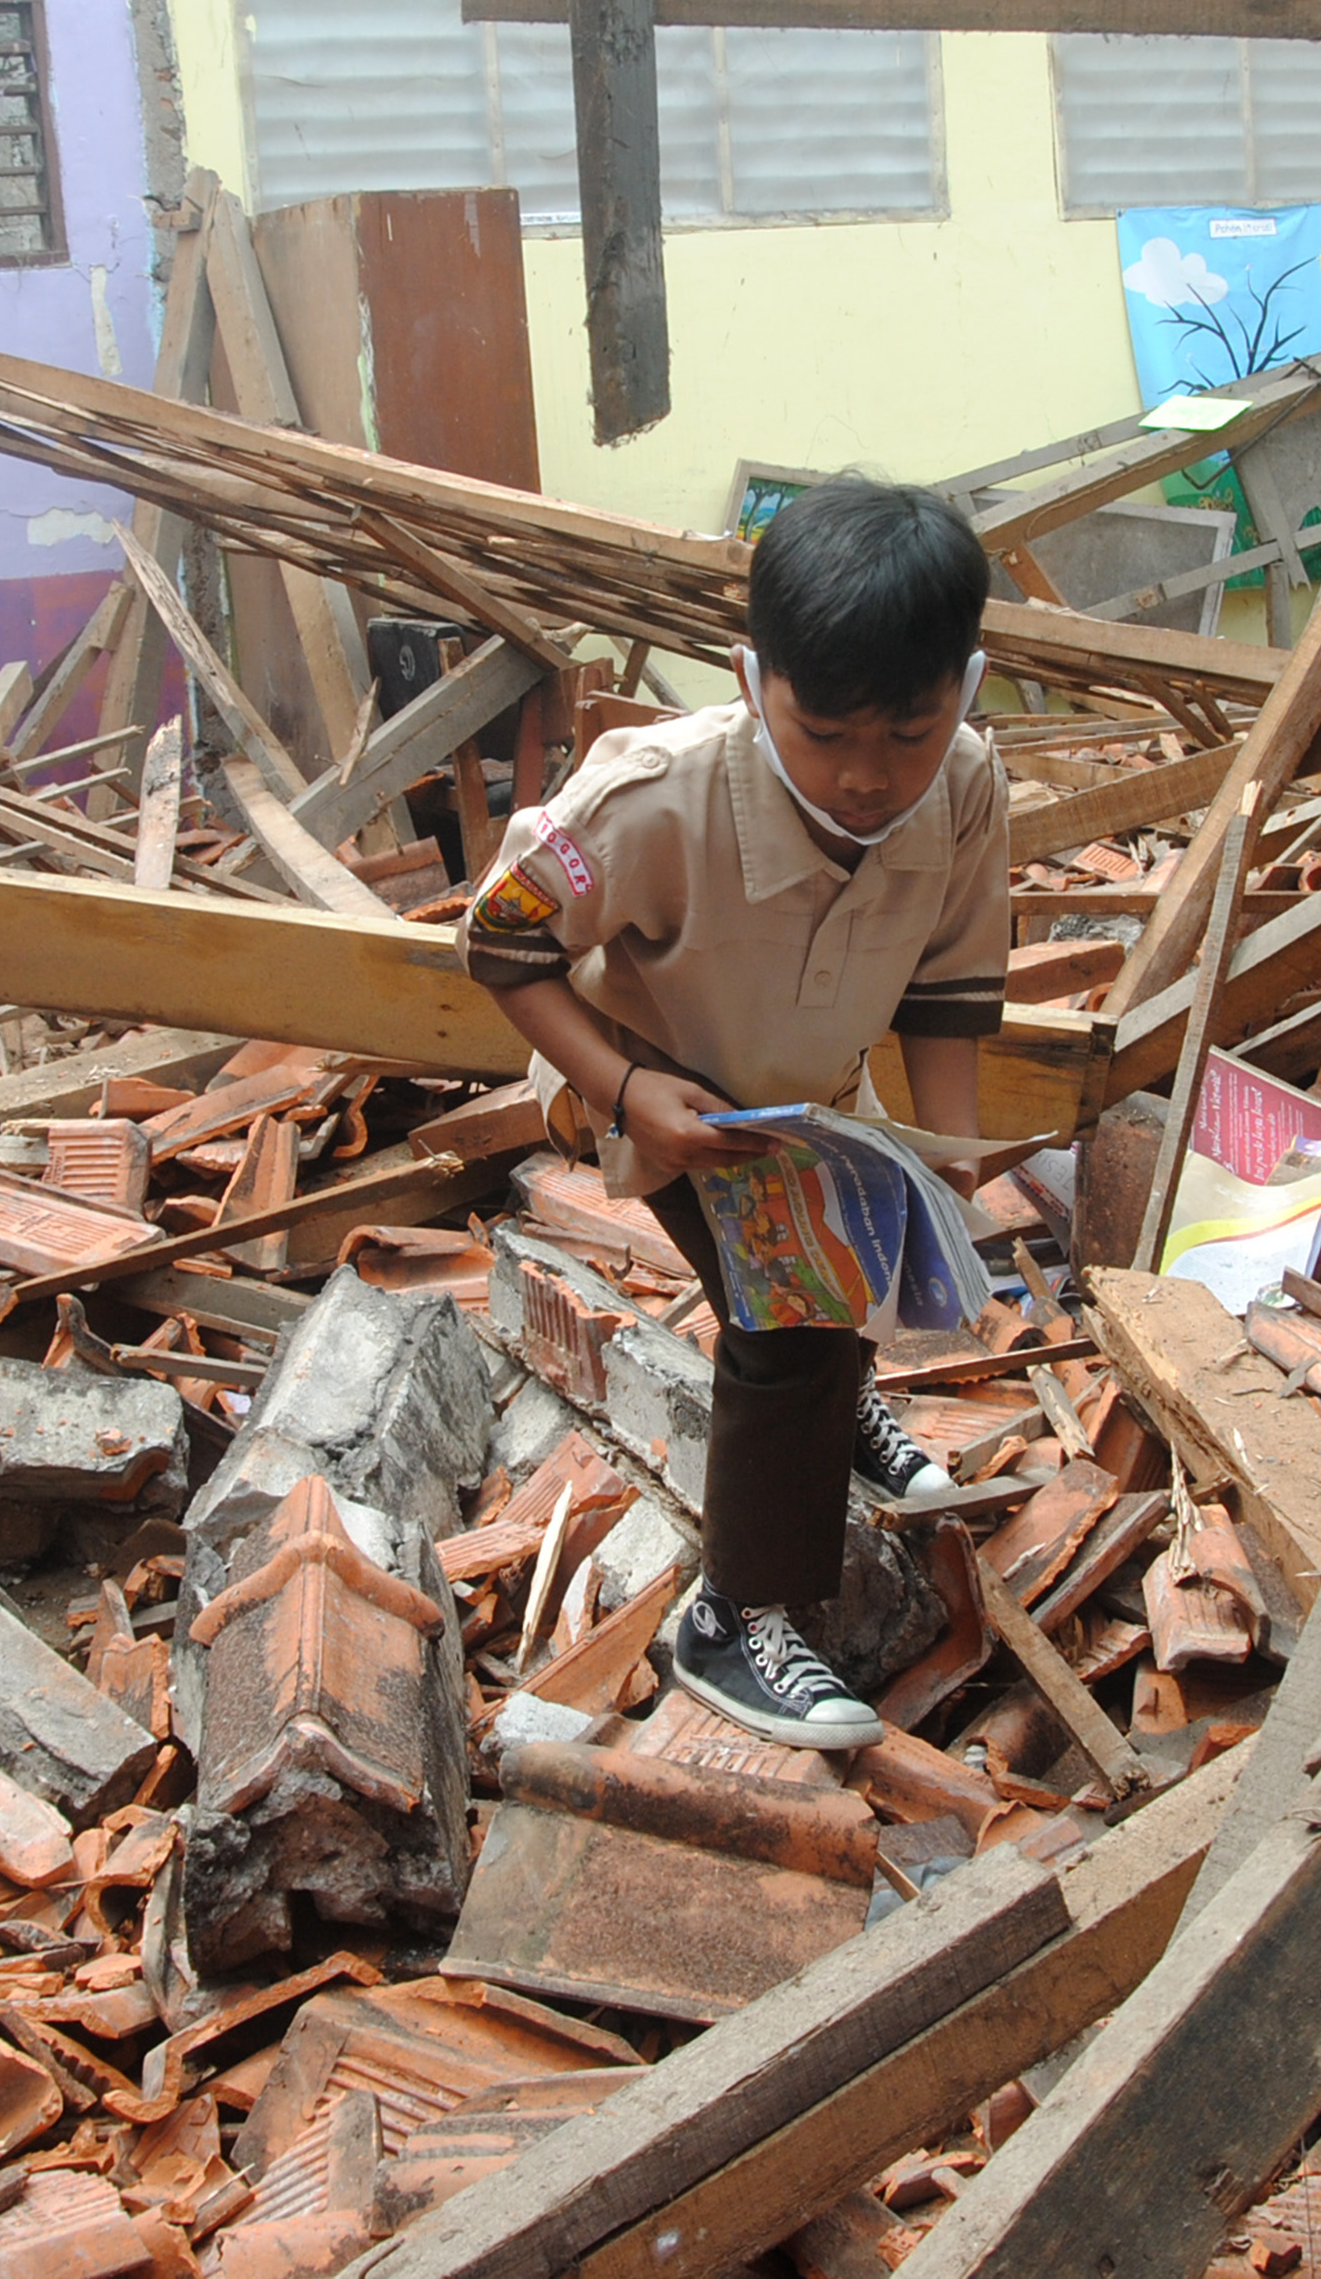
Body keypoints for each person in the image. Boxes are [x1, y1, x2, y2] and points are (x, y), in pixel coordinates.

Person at [457, 485, 1009, 1749]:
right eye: (821, 735)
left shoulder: (968, 789)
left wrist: (954, 1156)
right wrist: (626, 1093)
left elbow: (949, 984)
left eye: (908, 735)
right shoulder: (646, 800)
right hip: (658, 1081)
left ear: (965, 691)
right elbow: (498, 943)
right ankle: (736, 1612)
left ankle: (841, 1418)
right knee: (794, 1323)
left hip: (815, 1092)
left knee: (872, 1254)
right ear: (753, 678)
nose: (866, 778)